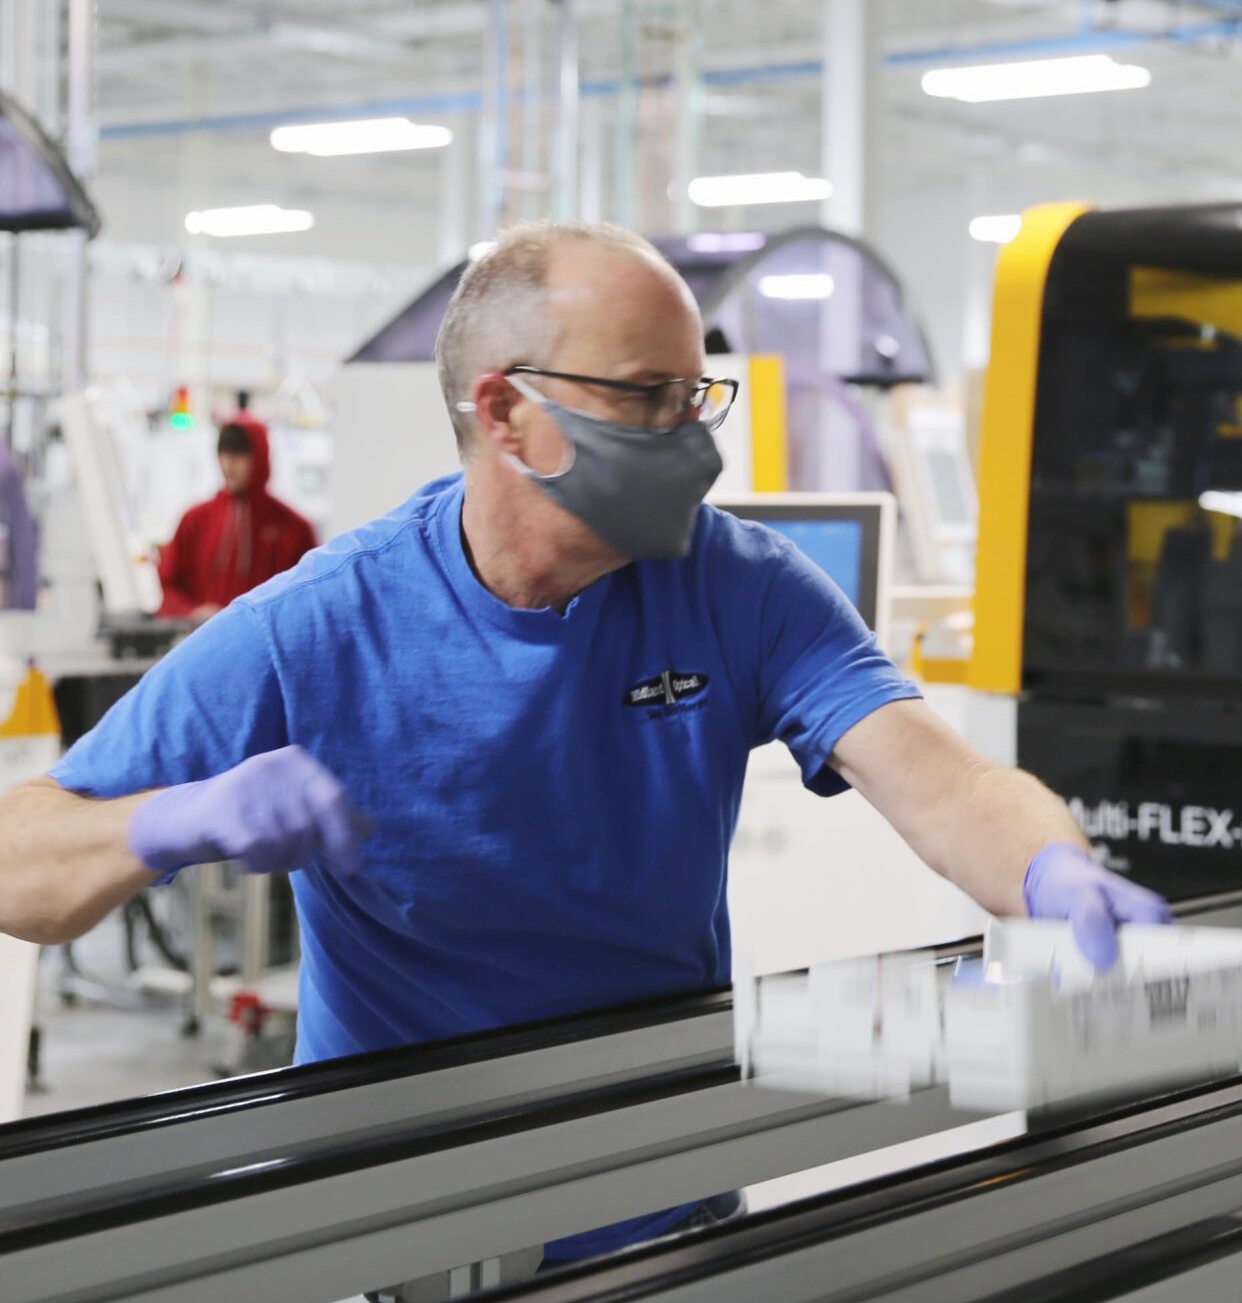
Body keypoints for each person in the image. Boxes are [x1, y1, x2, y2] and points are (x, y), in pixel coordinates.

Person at [0, 223, 1168, 1208]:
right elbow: (18, 863)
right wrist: (170, 820)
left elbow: (945, 782)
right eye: (647, 398)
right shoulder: (322, 624)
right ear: (505, 411)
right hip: (393, 1205)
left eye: (694, 391)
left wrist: (1051, 868)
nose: (690, 436)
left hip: (651, 1183)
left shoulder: (737, 585)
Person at [156, 415, 317, 621]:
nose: (228, 464)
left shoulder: (293, 527)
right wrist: (191, 613)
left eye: (239, 455)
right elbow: (168, 586)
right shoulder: (194, 520)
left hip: (264, 648)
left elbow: (307, 598)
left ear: (259, 456)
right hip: (203, 642)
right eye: (224, 454)